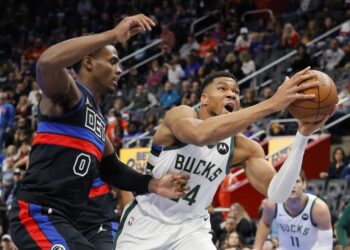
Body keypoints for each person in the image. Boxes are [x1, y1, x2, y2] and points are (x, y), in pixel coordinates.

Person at [9, 14, 189, 249]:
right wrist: (112, 34)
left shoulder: (98, 119)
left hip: (67, 219)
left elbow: (111, 168)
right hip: (38, 213)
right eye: (113, 61)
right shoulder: (70, 95)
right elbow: (46, 63)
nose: (119, 69)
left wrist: (153, 184)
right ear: (89, 62)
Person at [115, 69, 332, 250]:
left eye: (236, 92)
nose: (232, 94)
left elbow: (279, 193)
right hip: (146, 222)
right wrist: (272, 104)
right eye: (222, 88)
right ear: (204, 98)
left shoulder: (243, 147)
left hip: (190, 229)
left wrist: (302, 136)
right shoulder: (180, 115)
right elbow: (200, 136)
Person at [253, 172, 332, 250]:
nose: (292, 186)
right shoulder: (272, 203)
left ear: (304, 184)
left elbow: (325, 246)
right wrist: (257, 248)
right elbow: (265, 223)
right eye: (288, 182)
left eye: (296, 181)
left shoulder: (318, 208)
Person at [77, 175, 133, 249]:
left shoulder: (100, 164)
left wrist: (128, 229)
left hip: (100, 227)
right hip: (65, 225)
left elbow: (123, 190)